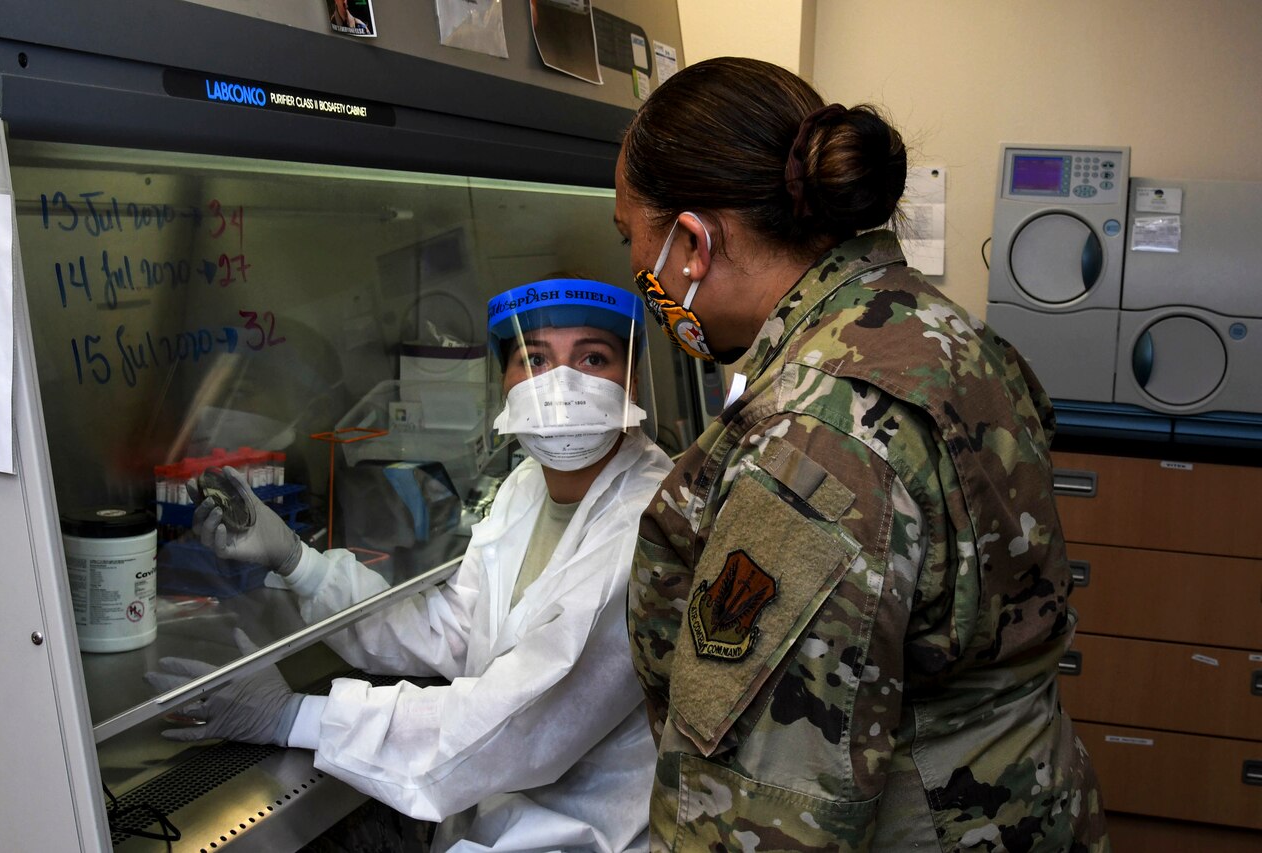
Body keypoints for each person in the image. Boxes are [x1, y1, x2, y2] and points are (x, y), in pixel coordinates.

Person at [613, 57, 1110, 852]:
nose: (637, 271)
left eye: (631, 238)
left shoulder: (813, 445)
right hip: (1027, 805)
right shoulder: (932, 328)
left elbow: (762, 811)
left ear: (693, 243)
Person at [149, 280, 672, 852]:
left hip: (582, 839)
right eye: (535, 359)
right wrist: (300, 563)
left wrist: (290, 717)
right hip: (490, 824)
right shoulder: (527, 487)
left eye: (591, 358)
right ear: (505, 384)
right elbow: (452, 629)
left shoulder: (646, 525)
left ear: (632, 382)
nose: (560, 385)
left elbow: (516, 725)